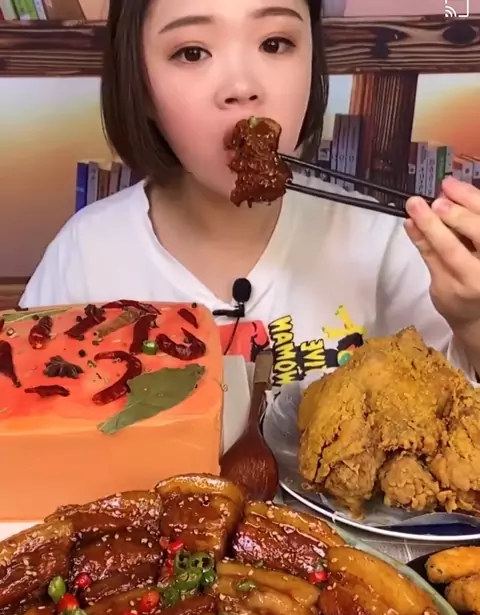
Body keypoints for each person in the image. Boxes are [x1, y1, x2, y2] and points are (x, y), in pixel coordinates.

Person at [20, 0, 480, 384]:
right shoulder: (86, 255)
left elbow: (456, 414)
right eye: (192, 52)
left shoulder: (383, 245)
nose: (242, 88)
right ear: (140, 85)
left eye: (274, 44)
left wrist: (473, 323)